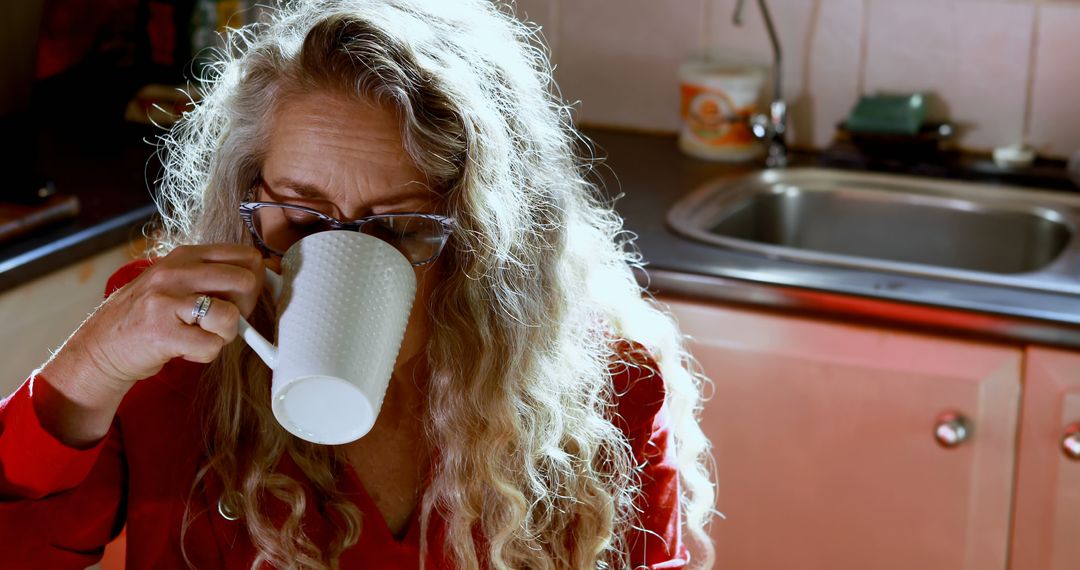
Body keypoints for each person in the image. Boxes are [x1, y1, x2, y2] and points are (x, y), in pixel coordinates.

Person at [0, 0, 716, 568]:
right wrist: (94, 363)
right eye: (302, 215)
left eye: (399, 227)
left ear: (481, 241)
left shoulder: (605, 396)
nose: (340, 249)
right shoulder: (177, 355)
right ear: (249, 195)